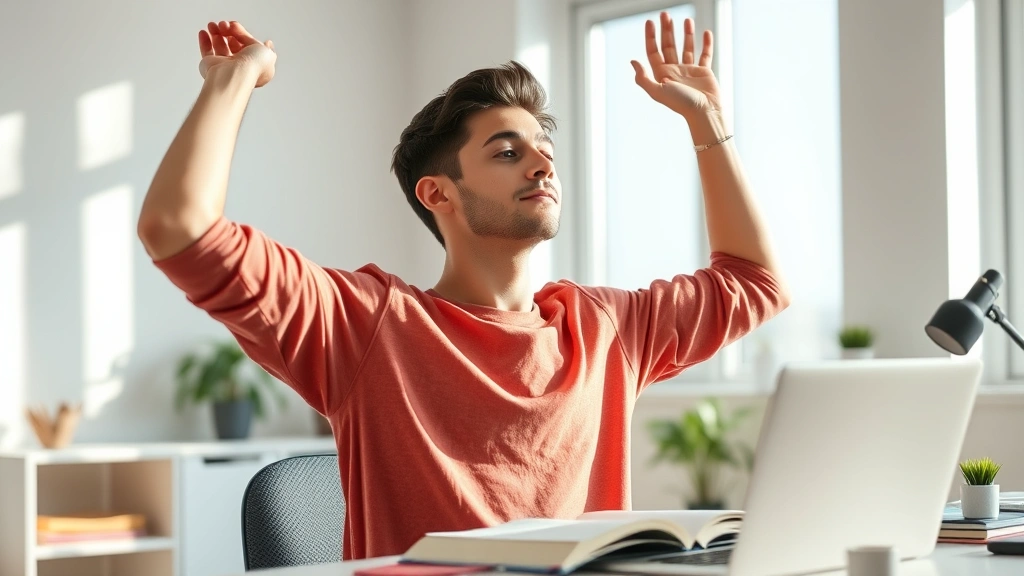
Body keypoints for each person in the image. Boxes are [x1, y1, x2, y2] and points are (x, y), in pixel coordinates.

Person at [138, 14, 790, 560]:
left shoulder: (604, 329)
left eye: (544, 149)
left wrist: (707, 122)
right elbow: (178, 227)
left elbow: (755, 281)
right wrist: (234, 80)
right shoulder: (366, 325)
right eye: (507, 152)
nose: (541, 161)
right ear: (437, 193)